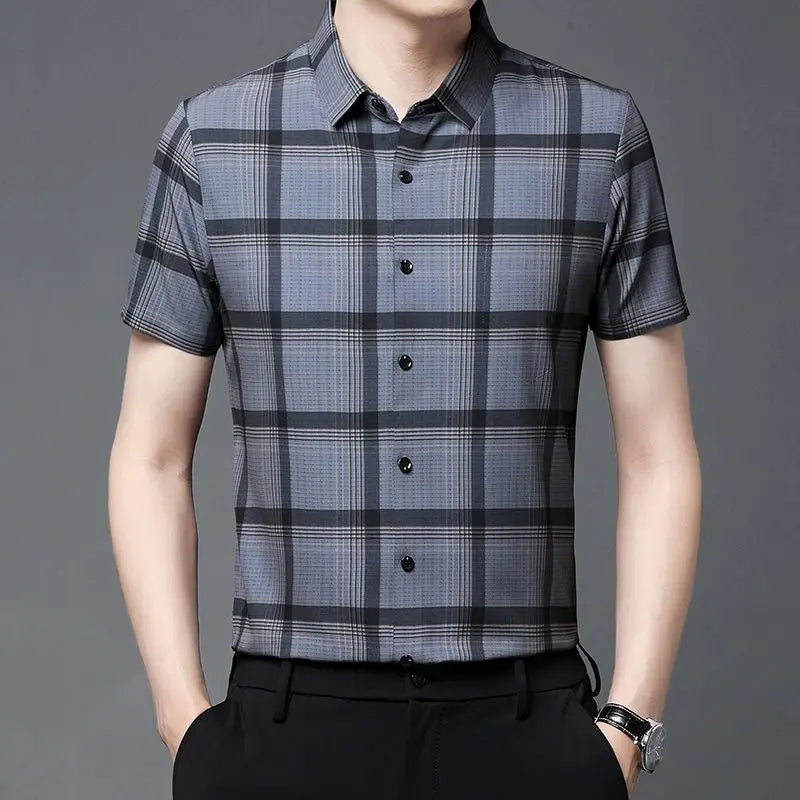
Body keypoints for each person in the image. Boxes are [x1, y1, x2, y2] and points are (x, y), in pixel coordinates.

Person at [108, 1, 702, 798]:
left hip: (527, 730)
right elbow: (150, 457)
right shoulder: (212, 142)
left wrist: (627, 727)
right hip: (284, 738)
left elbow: (659, 455)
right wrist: (184, 722)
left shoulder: (597, 136)